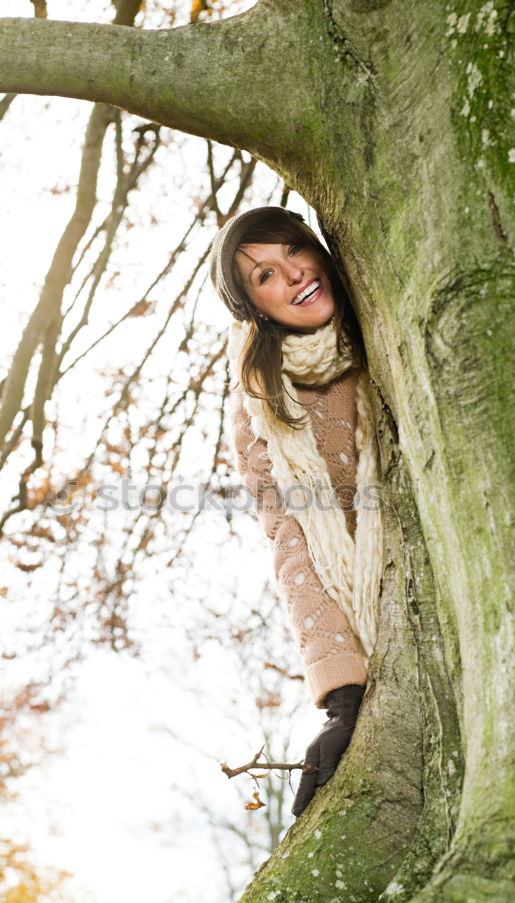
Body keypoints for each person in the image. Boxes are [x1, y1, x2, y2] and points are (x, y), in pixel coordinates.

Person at [209, 205, 383, 816]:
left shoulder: (387, 313)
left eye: (291, 250)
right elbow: (291, 544)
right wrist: (344, 693)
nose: (291, 276)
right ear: (255, 307)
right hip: (386, 617)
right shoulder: (260, 403)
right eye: (263, 276)